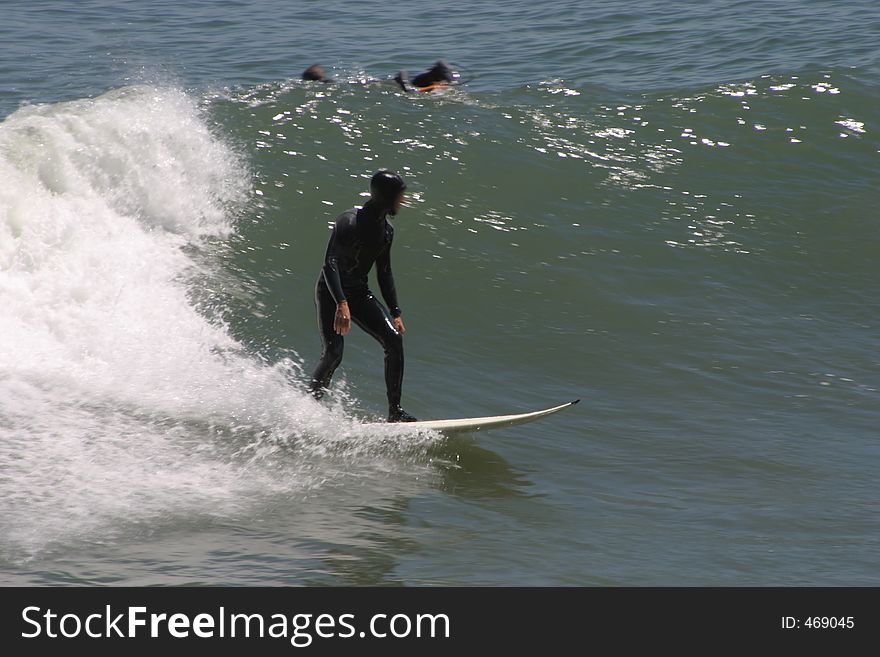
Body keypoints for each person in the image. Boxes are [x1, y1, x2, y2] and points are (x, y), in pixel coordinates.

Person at [308, 171, 418, 422]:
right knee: (334, 352)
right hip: (330, 292)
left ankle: (395, 412)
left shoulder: (386, 231)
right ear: (387, 197)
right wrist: (341, 303)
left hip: (359, 293)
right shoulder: (348, 221)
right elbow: (330, 263)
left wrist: (396, 311)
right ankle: (309, 405)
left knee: (394, 340)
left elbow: (385, 272)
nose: (403, 201)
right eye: (400, 196)